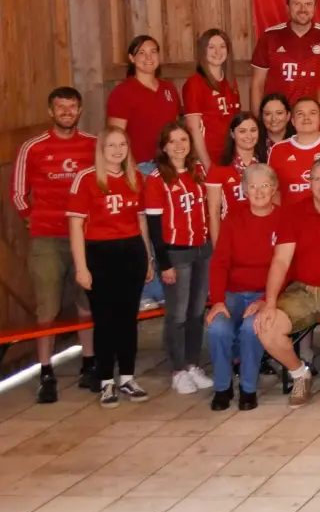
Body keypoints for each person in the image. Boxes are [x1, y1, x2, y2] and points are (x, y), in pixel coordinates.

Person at [254, 157, 320, 408]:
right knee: (265, 326)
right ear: (309, 182)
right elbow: (280, 261)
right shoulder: (295, 212)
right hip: (301, 290)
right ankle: (299, 374)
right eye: (317, 179)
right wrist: (269, 303)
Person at [14, 87, 98, 401]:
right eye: (60, 107)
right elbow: (19, 193)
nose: (66, 112)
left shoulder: (93, 145)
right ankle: (46, 372)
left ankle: (89, 364)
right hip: (47, 237)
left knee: (85, 303)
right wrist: (29, 217)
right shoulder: (32, 148)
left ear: (80, 110)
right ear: (51, 112)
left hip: (86, 237)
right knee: (46, 307)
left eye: (72, 106)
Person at [67, 127, 150, 407]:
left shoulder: (135, 177)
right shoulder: (87, 179)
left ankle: (127, 377)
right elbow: (76, 225)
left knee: (128, 319)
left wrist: (147, 257)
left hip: (131, 251)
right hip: (99, 254)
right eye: (111, 145)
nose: (117, 150)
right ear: (101, 149)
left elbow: (140, 222)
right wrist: (81, 267)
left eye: (122, 144)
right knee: (105, 320)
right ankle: (105, 381)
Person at [143, 122, 212, 395]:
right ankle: (178, 369)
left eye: (183, 139)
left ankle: (193, 364)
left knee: (197, 312)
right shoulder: (157, 179)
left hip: (201, 249)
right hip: (176, 252)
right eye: (172, 141)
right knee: (178, 314)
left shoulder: (198, 173)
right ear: (163, 147)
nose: (179, 145)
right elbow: (154, 225)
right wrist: (165, 262)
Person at [204, 162, 280, 411]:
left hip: (265, 294)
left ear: (274, 188)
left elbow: (290, 267)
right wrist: (217, 301)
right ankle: (222, 387)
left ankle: (248, 388)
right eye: (253, 186)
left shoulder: (284, 219)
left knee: (252, 327)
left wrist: (266, 300)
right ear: (244, 189)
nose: (259, 192)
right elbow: (219, 264)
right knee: (217, 328)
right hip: (232, 293)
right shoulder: (234, 218)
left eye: (265, 186)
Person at [251, 0, 320, 105]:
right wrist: (258, 118)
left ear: (314, 8)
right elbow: (257, 83)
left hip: (314, 119)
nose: (303, 9)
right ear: (288, 8)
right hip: (278, 119)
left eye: (308, 4)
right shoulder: (270, 36)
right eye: (297, 4)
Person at [107, 35, 182, 170]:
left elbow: (176, 128)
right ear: (132, 58)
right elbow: (115, 136)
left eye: (153, 52)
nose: (148, 58)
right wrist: (131, 171)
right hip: (142, 165)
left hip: (171, 162)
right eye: (142, 53)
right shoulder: (122, 92)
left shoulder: (169, 88)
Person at [267, 97, 320, 206]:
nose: (306, 118)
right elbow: (273, 191)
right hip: (292, 220)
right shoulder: (278, 149)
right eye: (300, 114)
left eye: (312, 113)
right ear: (293, 121)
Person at [183, 29, 241, 169]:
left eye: (222, 46)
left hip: (229, 157)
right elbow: (194, 128)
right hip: (207, 159)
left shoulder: (231, 82)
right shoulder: (195, 83)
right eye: (211, 47)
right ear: (203, 51)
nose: (217, 52)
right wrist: (207, 165)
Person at [206, 113, 268, 230]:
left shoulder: (266, 165)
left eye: (253, 130)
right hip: (231, 235)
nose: (249, 136)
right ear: (232, 134)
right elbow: (214, 214)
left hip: (262, 232)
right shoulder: (219, 168)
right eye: (242, 131)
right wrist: (218, 247)